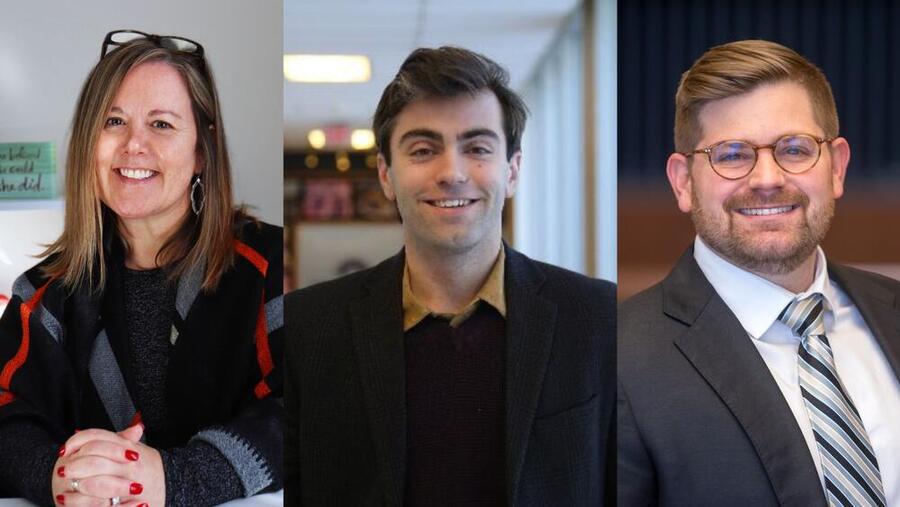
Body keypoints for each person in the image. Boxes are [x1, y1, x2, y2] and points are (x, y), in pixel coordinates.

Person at [284, 47, 616, 506]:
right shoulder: (308, 326)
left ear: (513, 170)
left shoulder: (600, 319)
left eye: (477, 148)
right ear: (386, 173)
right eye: (423, 150)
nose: (452, 173)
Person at [0, 31, 283, 506]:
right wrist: (57, 475)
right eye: (114, 121)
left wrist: (177, 478)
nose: (134, 144)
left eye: (162, 124)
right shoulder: (42, 292)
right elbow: (6, 411)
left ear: (201, 152)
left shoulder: (272, 264)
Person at [618, 39, 900, 506]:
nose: (768, 179)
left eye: (794, 149)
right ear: (683, 182)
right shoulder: (618, 362)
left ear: (837, 169)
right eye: (731, 154)